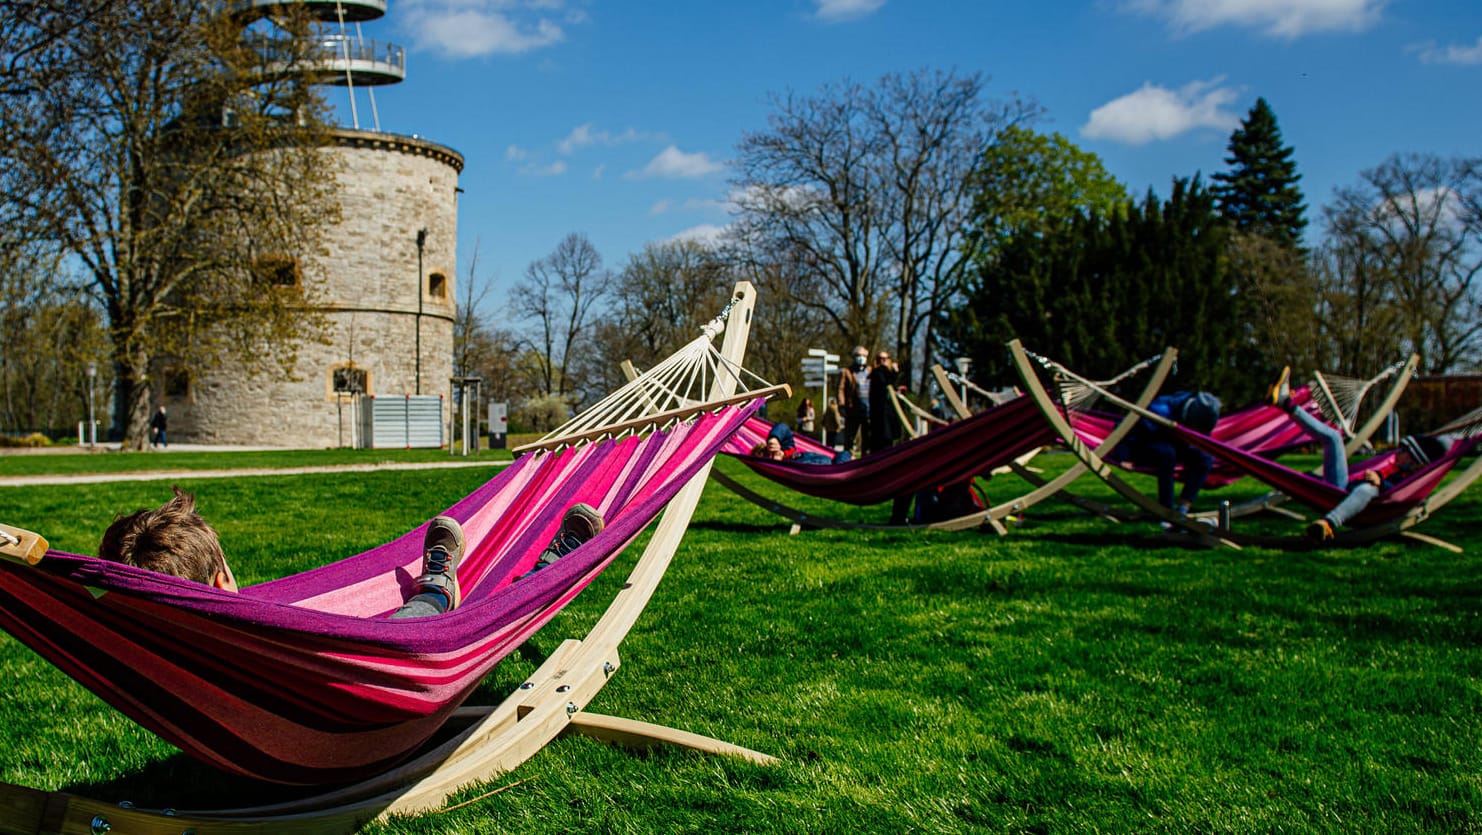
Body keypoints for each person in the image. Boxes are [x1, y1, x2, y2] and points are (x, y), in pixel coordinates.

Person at [97, 487, 605, 615]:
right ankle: (440, 591)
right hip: (363, 713)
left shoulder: (144, 645)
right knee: (414, 625)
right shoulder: (248, 632)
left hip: (248, 741)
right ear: (220, 582)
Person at [1266, 367, 1448, 542]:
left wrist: (1379, 482)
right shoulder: (1400, 471)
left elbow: (1396, 496)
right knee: (1334, 438)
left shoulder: (1413, 481)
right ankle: (1285, 403)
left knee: (1368, 488)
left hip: (1357, 506)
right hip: (1341, 491)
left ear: (1416, 460)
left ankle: (1328, 523)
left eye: (1403, 452)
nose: (1397, 453)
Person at [1113, 390, 1223, 518]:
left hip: (1178, 443)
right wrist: (1124, 456)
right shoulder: (1161, 409)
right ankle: (1166, 509)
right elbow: (1125, 429)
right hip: (1146, 442)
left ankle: (1184, 506)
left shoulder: (1204, 414)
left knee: (1205, 459)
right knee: (1167, 454)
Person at [749, 422, 851, 465]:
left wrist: (774, 438)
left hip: (834, 462)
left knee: (845, 455)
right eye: (768, 457)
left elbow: (783, 427)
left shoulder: (787, 447)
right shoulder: (785, 468)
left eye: (768, 452)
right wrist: (779, 463)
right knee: (844, 460)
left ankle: (851, 458)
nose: (771, 455)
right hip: (831, 470)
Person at [866, 350, 901, 454]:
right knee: (882, 441)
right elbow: (885, 384)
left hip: (888, 413)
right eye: (881, 359)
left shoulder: (886, 373)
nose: (883, 361)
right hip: (881, 415)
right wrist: (895, 373)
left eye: (886, 359)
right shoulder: (878, 373)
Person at [837, 346, 871, 455]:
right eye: (858, 355)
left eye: (863, 355)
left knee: (867, 437)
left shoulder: (870, 370)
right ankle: (847, 457)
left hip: (868, 409)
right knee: (850, 436)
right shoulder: (847, 372)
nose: (861, 358)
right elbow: (841, 389)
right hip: (853, 409)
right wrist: (842, 405)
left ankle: (866, 459)